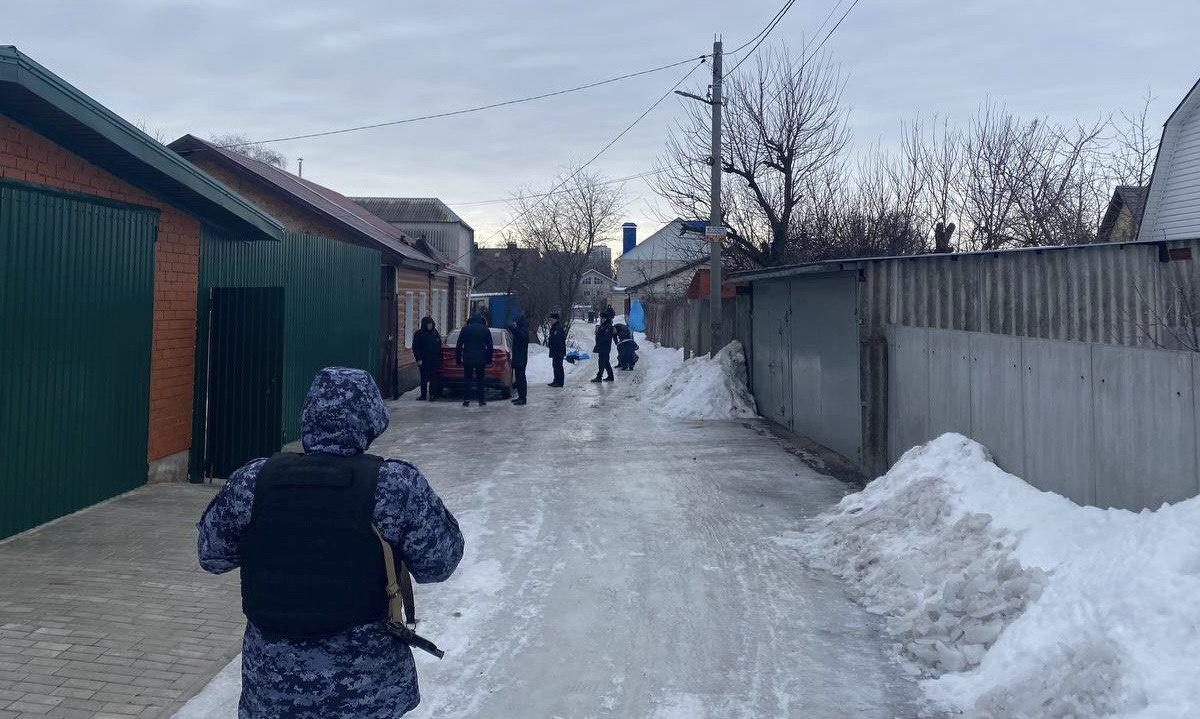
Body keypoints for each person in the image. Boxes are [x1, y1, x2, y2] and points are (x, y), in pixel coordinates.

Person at [196, 367, 464, 719]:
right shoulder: (396, 485)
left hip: (272, 689)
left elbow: (212, 556)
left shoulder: (253, 480)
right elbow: (439, 564)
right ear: (370, 421)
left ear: (308, 415)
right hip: (366, 694)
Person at [455, 313, 493, 406]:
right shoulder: (485, 330)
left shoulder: (465, 329)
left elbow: (459, 345)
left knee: (467, 379)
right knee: (480, 379)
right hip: (481, 359)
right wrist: (488, 359)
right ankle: (481, 400)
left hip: (468, 359)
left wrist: (458, 359)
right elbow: (490, 346)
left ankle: (467, 399)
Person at [411, 316, 442, 401]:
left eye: (431, 324)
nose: (430, 326)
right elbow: (415, 347)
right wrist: (418, 359)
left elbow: (439, 344)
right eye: (428, 324)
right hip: (423, 360)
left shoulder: (435, 333)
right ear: (425, 324)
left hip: (434, 359)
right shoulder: (419, 334)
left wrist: (439, 357)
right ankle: (423, 395)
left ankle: (432, 395)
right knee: (424, 378)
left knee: (433, 378)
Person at [507, 313, 530, 405]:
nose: (515, 324)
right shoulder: (521, 330)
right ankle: (520, 397)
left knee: (521, 379)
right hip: (519, 358)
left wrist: (513, 329)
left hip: (521, 359)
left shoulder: (523, 330)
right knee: (519, 379)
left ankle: (523, 398)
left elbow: (520, 335)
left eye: (516, 322)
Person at [591, 307, 616, 383]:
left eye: (603, 318)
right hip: (602, 347)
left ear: (606, 318)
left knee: (602, 362)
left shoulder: (607, 326)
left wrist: (599, 343)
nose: (601, 319)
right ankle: (610, 376)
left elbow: (606, 337)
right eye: (601, 318)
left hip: (604, 348)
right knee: (605, 362)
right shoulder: (603, 325)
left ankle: (599, 377)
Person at [546, 312, 567, 387]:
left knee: (558, 366)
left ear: (555, 319)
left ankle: (559, 382)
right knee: (555, 365)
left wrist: (551, 340)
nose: (550, 321)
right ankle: (556, 380)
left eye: (551, 320)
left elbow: (557, 339)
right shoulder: (555, 327)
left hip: (558, 350)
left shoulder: (558, 328)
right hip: (556, 350)